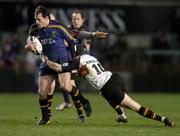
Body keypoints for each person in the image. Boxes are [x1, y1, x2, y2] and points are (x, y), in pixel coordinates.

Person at [25, 5, 108, 125]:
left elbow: (72, 38)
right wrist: (29, 47)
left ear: (47, 17)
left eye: (39, 19)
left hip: (61, 60)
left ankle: (84, 101)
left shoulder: (58, 26)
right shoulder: (33, 29)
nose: (36, 22)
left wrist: (74, 60)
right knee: (42, 92)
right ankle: (45, 118)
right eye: (35, 19)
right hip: (46, 62)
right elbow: (28, 44)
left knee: (65, 86)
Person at [41, 53, 175, 127]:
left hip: (109, 88)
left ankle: (163, 120)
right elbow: (85, 71)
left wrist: (46, 60)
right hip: (116, 78)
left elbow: (59, 68)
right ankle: (121, 114)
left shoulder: (77, 61)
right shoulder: (89, 57)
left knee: (136, 107)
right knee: (108, 96)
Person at [55, 10, 92, 111]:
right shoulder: (68, 28)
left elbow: (86, 49)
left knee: (100, 87)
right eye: (74, 19)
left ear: (83, 20)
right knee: (66, 85)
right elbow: (63, 43)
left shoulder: (85, 30)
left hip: (84, 62)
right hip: (72, 61)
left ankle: (119, 107)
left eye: (78, 19)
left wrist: (71, 43)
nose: (75, 21)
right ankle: (78, 111)